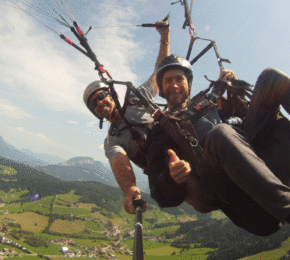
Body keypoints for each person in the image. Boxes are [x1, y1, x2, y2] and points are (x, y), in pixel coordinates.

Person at [146, 54, 290, 236]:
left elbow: (252, 119)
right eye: (168, 80)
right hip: (240, 197)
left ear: (188, 83)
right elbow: (158, 193)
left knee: (270, 78)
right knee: (220, 134)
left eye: (179, 78)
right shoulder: (160, 132)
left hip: (263, 162)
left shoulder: (212, 103)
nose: (174, 84)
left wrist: (235, 87)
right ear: (161, 88)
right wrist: (172, 177)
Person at [83, 21, 170, 214]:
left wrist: (164, 37)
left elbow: (158, 75)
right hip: (163, 170)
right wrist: (129, 189)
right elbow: (119, 159)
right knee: (165, 197)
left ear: (111, 94)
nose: (98, 102)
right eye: (92, 103)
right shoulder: (112, 139)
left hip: (179, 145)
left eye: (100, 95)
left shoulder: (135, 98)